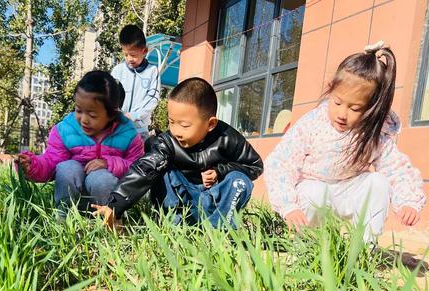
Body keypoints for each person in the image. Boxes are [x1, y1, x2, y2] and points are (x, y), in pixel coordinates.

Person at [264, 41, 426, 243]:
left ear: (371, 108)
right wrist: (288, 206)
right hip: (314, 192)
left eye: (355, 108)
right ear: (330, 90)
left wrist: (408, 201)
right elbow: (281, 162)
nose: (342, 114)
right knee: (314, 192)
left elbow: (397, 169)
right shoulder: (313, 124)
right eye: (338, 102)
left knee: (378, 183)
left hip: (349, 192)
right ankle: (309, 245)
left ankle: (365, 248)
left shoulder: (373, 133)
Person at [92, 77, 263, 229]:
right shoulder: (167, 142)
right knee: (159, 167)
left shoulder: (228, 137)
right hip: (183, 200)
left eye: (185, 125)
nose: (176, 131)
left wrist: (221, 171)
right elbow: (144, 168)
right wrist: (115, 204)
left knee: (240, 181)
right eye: (171, 122)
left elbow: (254, 166)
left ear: (210, 124)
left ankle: (220, 228)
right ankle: (173, 223)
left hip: (215, 200)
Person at [17, 70, 144, 217]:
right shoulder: (65, 129)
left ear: (112, 114)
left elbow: (138, 170)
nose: (84, 119)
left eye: (92, 115)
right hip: (73, 197)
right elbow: (51, 161)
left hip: (106, 198)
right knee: (67, 168)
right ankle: (63, 218)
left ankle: (108, 220)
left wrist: (109, 163)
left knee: (102, 178)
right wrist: (32, 165)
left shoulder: (128, 134)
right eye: (79, 110)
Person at [111, 24, 160, 141]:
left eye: (133, 55)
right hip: (118, 129)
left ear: (144, 51)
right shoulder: (118, 71)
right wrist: (118, 115)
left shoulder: (152, 72)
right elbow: (110, 97)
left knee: (139, 158)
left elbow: (153, 98)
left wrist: (133, 116)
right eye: (126, 54)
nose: (129, 59)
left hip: (140, 131)